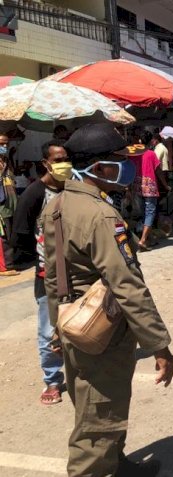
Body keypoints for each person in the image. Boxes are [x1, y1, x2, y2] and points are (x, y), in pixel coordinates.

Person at [42, 123, 173, 476]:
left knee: (100, 405)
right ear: (98, 168)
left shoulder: (57, 205)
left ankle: (119, 464)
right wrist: (159, 344)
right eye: (120, 160)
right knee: (97, 423)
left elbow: (54, 278)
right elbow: (127, 284)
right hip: (100, 328)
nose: (128, 167)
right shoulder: (101, 215)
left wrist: (57, 327)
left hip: (74, 321)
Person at [11, 140, 72, 404]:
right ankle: (52, 380)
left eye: (65, 158)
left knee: (81, 323)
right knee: (49, 329)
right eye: (58, 160)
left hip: (77, 271)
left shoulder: (73, 189)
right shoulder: (35, 193)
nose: (63, 164)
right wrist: (37, 259)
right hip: (47, 273)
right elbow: (20, 234)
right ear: (46, 163)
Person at [132, 131, 170, 250]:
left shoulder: (135, 154)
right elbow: (158, 171)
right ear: (150, 141)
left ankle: (148, 238)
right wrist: (165, 185)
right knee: (150, 213)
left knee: (143, 212)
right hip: (150, 186)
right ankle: (143, 240)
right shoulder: (151, 154)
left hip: (137, 186)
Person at [0, 139, 19, 277]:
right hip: (2, 207)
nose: (4, 146)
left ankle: (11, 262)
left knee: (12, 234)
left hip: (12, 204)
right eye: (1, 144)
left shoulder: (6, 161)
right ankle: (6, 266)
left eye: (6, 143)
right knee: (4, 236)